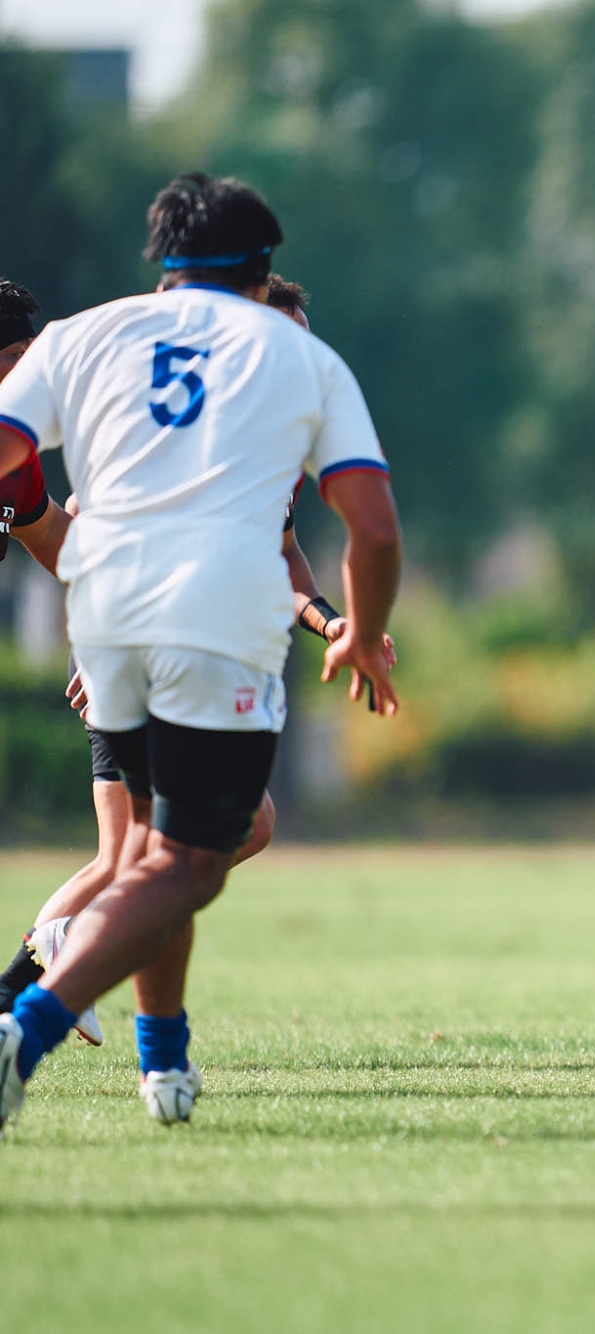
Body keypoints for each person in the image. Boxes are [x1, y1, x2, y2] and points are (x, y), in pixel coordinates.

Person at [0, 173, 402, 1133]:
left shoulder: (80, 336)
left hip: (102, 615)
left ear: (162, 262)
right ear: (263, 273)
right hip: (215, 619)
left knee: (154, 845)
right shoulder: (299, 358)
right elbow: (374, 532)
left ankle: (162, 1056)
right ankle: (30, 1017)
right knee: (195, 855)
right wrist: (368, 631)